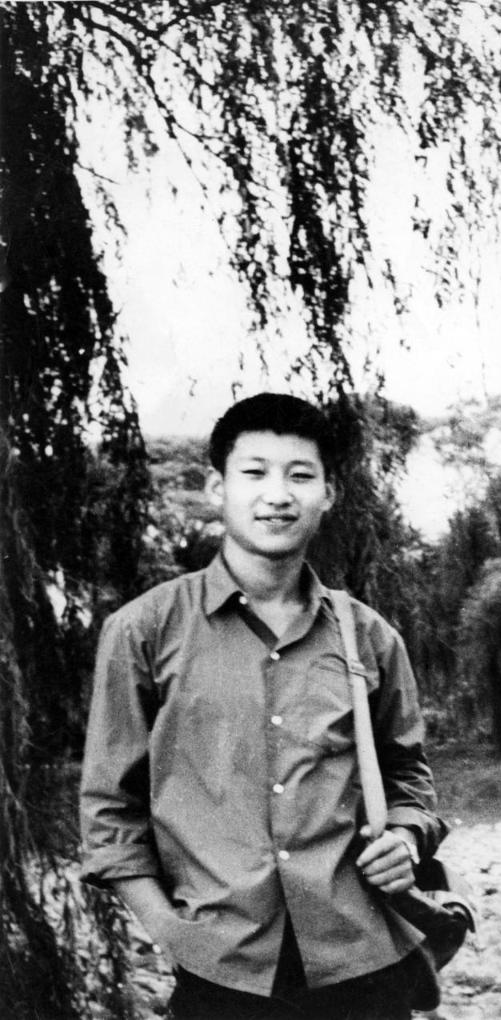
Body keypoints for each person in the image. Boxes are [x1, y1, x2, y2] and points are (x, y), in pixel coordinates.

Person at [80, 392, 447, 1020]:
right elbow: (110, 808)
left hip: (365, 963)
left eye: (300, 475)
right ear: (216, 487)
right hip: (221, 971)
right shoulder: (144, 630)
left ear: (328, 493)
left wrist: (407, 838)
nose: (277, 495)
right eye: (254, 472)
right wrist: (172, 934)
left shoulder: (369, 636)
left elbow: (409, 776)